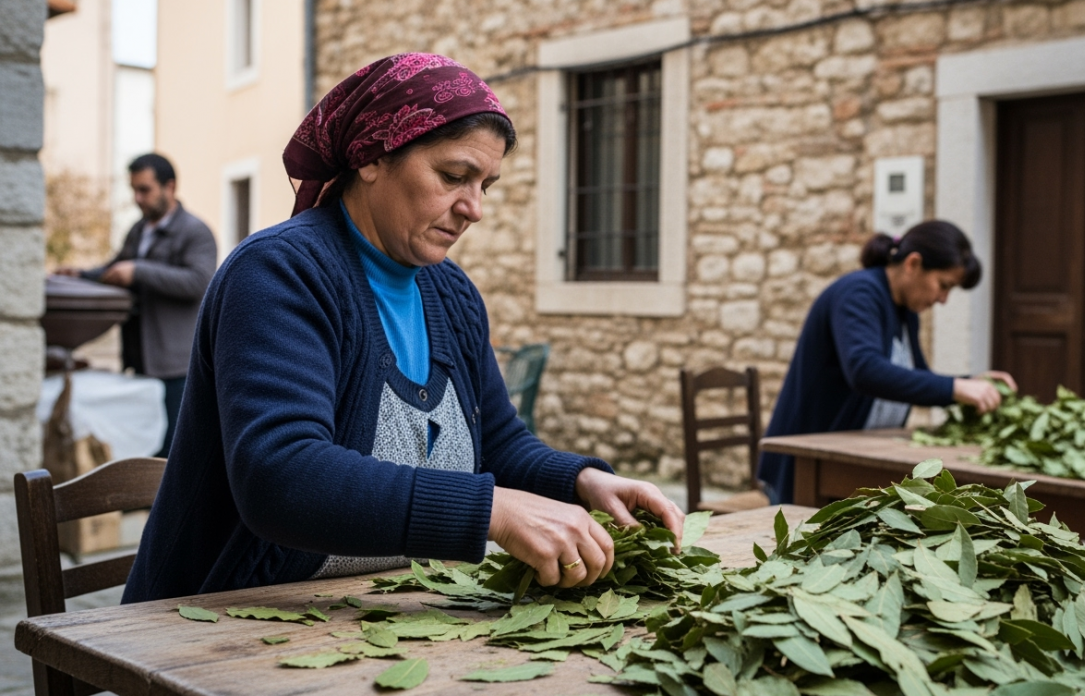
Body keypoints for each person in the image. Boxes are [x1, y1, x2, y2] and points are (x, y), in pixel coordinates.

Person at [122, 54, 684, 603]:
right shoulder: (279, 275)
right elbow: (281, 476)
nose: (474, 209)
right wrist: (493, 511)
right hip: (222, 623)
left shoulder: (452, 294)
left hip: (373, 617)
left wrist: (581, 482)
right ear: (371, 157)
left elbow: (495, 443)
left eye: (485, 184)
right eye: (453, 176)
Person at [758, 220, 1018, 504]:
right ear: (913, 264)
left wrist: (969, 383)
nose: (942, 299)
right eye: (943, 285)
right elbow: (864, 370)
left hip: (850, 459)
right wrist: (956, 387)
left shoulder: (906, 312)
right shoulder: (858, 294)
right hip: (806, 463)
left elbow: (917, 377)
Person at [55, 153, 217, 458]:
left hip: (177, 366)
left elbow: (198, 281)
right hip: (142, 360)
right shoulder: (138, 230)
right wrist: (80, 274)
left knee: (175, 453)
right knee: (147, 447)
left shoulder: (195, 232)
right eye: (134, 190)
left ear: (169, 187)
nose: (137, 198)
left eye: (145, 190)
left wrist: (139, 271)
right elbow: (117, 268)